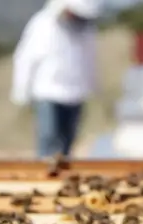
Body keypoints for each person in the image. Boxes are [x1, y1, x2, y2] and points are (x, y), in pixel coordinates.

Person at [10, 0, 101, 158]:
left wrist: (93, 87)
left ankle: (64, 178)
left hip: (75, 94)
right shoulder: (42, 24)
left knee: (68, 142)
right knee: (48, 139)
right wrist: (21, 91)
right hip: (48, 92)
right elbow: (26, 59)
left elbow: (89, 60)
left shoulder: (87, 31)